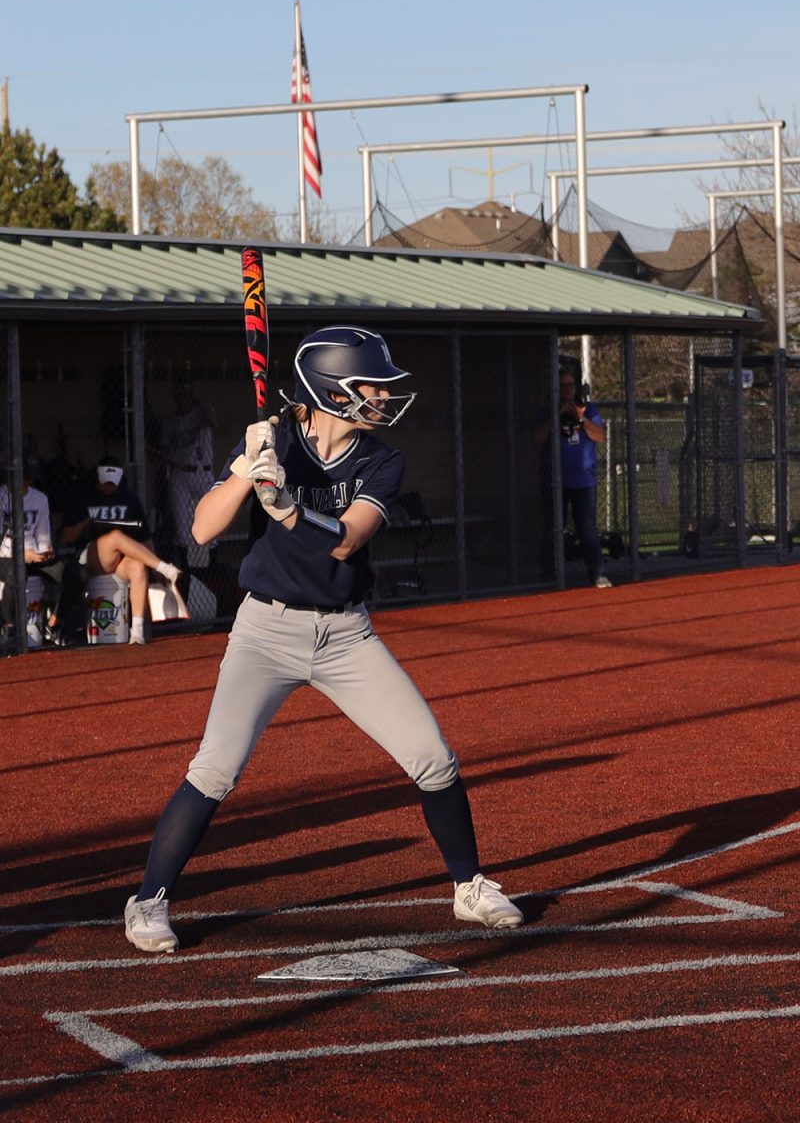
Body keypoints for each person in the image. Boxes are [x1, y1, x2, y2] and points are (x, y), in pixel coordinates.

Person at [124, 326, 523, 953]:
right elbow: (201, 529)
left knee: (433, 756)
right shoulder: (272, 436)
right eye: (372, 384)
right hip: (264, 630)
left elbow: (346, 538)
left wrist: (282, 504)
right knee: (216, 768)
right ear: (333, 389)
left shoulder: (380, 459)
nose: (384, 396)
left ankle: (469, 886)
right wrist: (242, 471)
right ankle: (147, 901)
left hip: (345, 634)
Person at [59, 456, 188, 645]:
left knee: (137, 567)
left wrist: (151, 567)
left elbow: (145, 538)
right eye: (106, 482)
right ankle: (164, 567)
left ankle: (136, 632)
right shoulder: (84, 497)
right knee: (116, 536)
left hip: (119, 560)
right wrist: (86, 523)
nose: (109, 486)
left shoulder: (129, 500)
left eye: (113, 482)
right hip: (89, 558)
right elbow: (65, 536)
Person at [535, 367, 612, 588]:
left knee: (587, 528)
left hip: (583, 481)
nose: (567, 390)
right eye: (562, 386)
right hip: (556, 481)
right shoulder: (547, 411)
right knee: (552, 529)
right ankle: (549, 576)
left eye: (570, 385)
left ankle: (597, 573)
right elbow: (537, 438)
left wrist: (581, 418)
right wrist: (557, 416)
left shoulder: (588, 409)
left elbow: (600, 436)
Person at [159, 380, 216, 570]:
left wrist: (198, 404)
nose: (184, 400)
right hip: (181, 474)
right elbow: (164, 450)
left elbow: (214, 421)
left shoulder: (201, 415)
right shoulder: (169, 422)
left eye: (188, 396)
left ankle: (213, 566)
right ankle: (184, 568)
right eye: (180, 397)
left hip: (203, 473)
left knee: (212, 520)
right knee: (181, 527)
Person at [0, 460, 57, 642]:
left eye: (28, 478)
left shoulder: (39, 498)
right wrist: (22, 555)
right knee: (14, 573)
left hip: (33, 554)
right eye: (22, 478)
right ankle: (9, 628)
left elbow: (43, 533)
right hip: (5, 555)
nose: (25, 482)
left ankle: (54, 624)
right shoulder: (1, 496)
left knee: (68, 572)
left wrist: (45, 551)